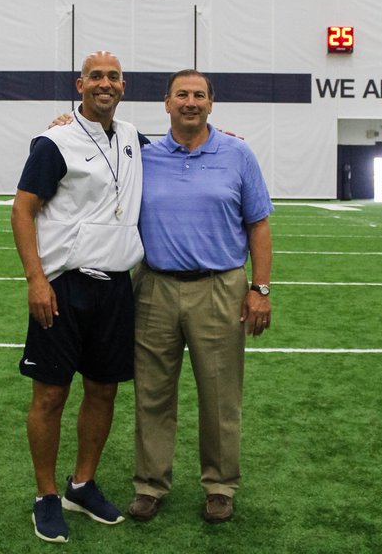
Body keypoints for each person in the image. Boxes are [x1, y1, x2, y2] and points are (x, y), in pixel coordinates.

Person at [10, 51, 147, 544]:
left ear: (123, 86)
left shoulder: (132, 137)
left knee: (104, 389)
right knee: (50, 394)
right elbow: (22, 211)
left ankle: (81, 485)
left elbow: (178, 151)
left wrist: (224, 139)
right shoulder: (55, 140)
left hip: (115, 287)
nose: (104, 83)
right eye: (96, 76)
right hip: (63, 285)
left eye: (112, 76)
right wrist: (36, 280)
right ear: (80, 83)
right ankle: (47, 495)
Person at [126, 68, 273, 525]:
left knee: (220, 396)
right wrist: (62, 123)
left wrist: (260, 289)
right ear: (166, 104)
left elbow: (259, 225)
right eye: (181, 94)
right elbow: (94, 145)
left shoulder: (238, 153)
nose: (190, 102)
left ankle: (220, 486)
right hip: (154, 287)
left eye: (199, 95)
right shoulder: (142, 155)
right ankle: (150, 484)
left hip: (220, 288)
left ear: (211, 103)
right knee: (152, 394)